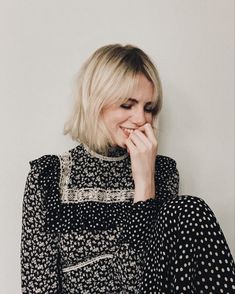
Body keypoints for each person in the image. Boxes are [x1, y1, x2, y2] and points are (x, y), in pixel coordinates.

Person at [20, 44, 235, 293]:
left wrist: (145, 184)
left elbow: (139, 282)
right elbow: (38, 286)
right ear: (95, 103)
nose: (141, 119)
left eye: (148, 108)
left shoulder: (162, 172)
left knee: (190, 208)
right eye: (127, 105)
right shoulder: (48, 176)